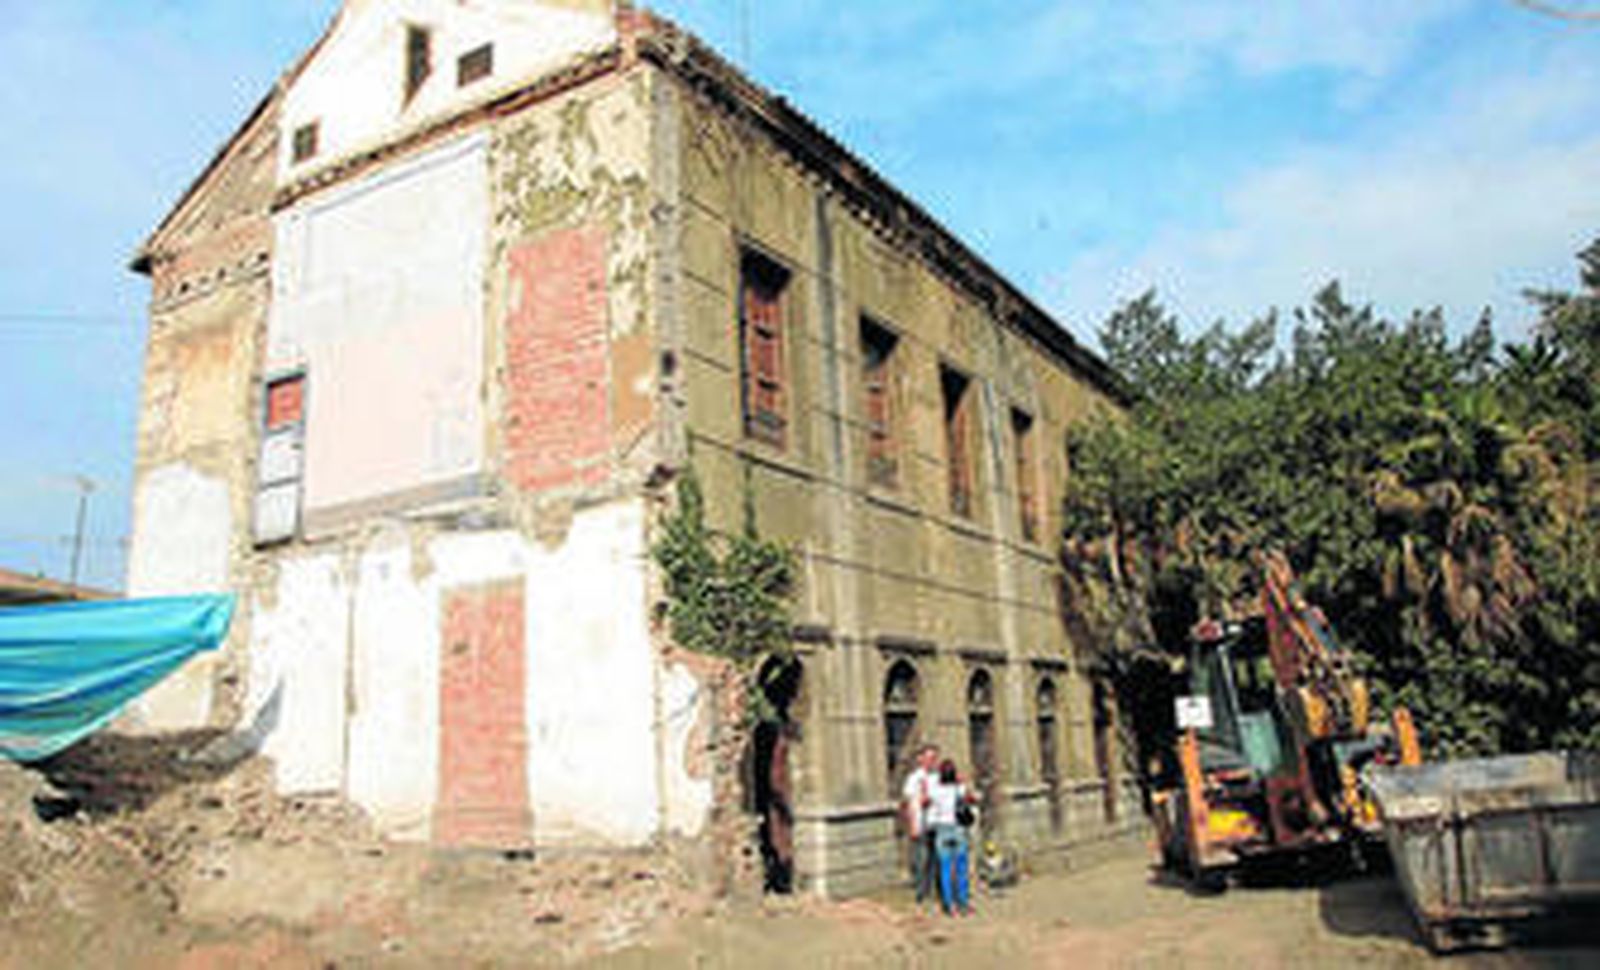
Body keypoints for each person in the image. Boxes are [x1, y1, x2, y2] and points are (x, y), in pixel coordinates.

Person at [927, 758, 974, 916]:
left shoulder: (935, 791)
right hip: (958, 828)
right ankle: (963, 903)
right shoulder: (958, 789)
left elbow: (929, 804)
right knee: (961, 868)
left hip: (942, 829)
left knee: (945, 868)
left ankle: (949, 905)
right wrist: (963, 782)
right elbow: (969, 798)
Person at [900, 743, 940, 904]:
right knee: (921, 858)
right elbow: (909, 802)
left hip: (936, 821)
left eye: (935, 758)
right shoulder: (914, 778)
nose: (933, 761)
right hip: (920, 822)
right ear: (921, 759)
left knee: (935, 857)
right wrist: (912, 824)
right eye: (929, 758)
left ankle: (935, 889)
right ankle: (921, 890)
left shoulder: (938, 776)